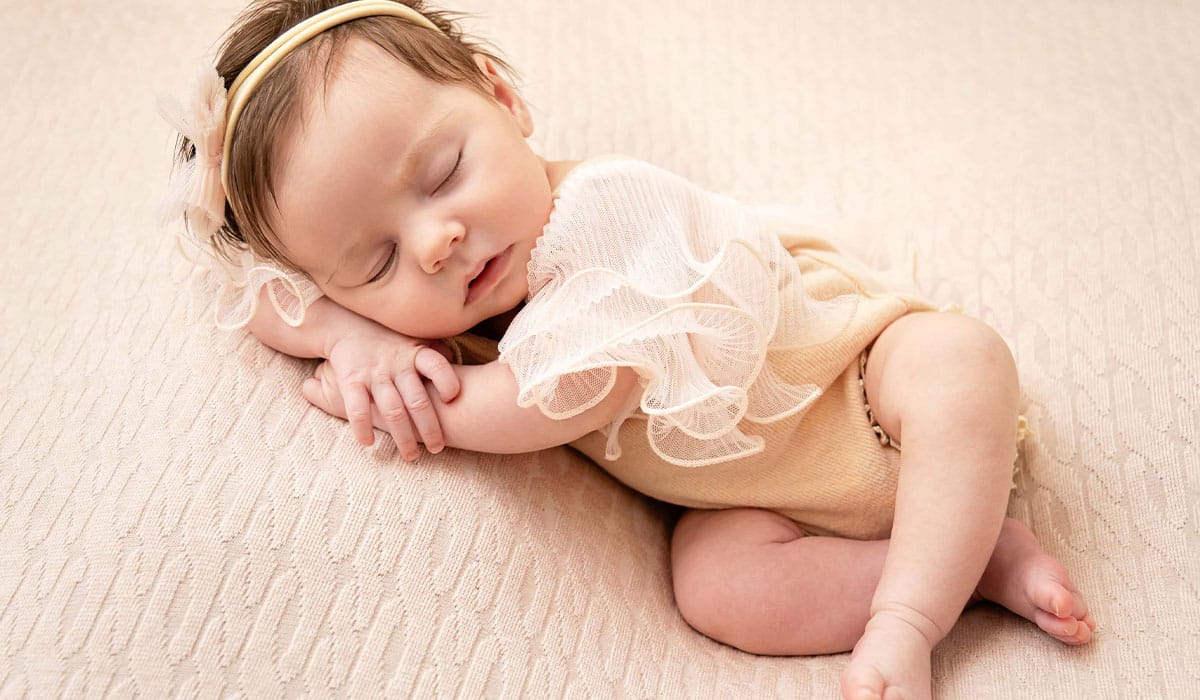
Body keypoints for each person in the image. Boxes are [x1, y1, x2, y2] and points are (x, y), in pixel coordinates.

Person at [161, 1, 1095, 697]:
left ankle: (909, 613)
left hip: (849, 382)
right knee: (717, 589)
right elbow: (245, 298)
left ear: (503, 96)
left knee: (956, 359)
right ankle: (975, 562)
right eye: (374, 259)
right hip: (749, 494)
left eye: (444, 173)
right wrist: (346, 332)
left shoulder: (610, 212)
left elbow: (545, 403)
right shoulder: (417, 303)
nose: (436, 240)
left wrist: (372, 354)